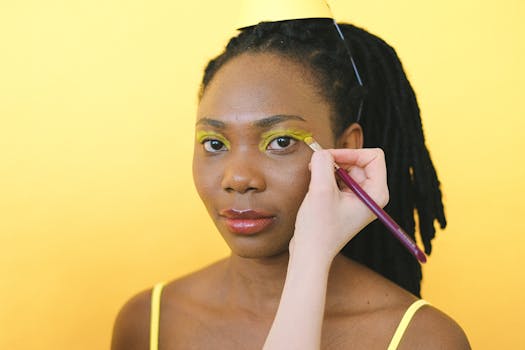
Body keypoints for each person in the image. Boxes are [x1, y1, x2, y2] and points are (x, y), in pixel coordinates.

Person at [111, 19, 470, 349]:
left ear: (345, 150)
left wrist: (310, 258)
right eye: (214, 143)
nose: (238, 178)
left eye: (281, 142)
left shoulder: (422, 339)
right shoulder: (149, 322)